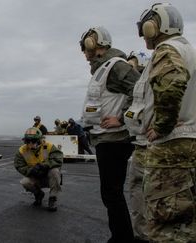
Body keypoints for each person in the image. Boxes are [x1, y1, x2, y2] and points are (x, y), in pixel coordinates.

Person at [125, 3, 196, 241]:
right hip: (186, 145)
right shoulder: (188, 50)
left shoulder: (167, 49)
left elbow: (172, 84)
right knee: (184, 223)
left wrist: (163, 125)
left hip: (170, 149)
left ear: (153, 26)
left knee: (167, 226)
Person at [80, 26, 141, 242]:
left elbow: (141, 91)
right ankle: (121, 237)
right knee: (111, 193)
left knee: (112, 193)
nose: (84, 53)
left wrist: (122, 118)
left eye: (85, 47)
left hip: (115, 139)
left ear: (95, 44)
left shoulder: (116, 66)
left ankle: (122, 238)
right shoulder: (103, 69)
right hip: (106, 140)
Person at [125, 50, 151, 242]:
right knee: (135, 190)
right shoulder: (139, 88)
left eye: (132, 65)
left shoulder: (150, 83)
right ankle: (141, 235)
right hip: (140, 144)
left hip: (152, 145)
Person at [14, 127, 63, 211]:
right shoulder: (22, 151)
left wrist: (45, 165)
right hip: (35, 176)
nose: (30, 144)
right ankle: (39, 194)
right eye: (27, 141)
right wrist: (31, 170)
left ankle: (52, 198)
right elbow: (19, 166)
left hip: (49, 176)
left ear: (39, 140)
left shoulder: (49, 147)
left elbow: (58, 159)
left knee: (55, 171)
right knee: (25, 182)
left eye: (32, 141)